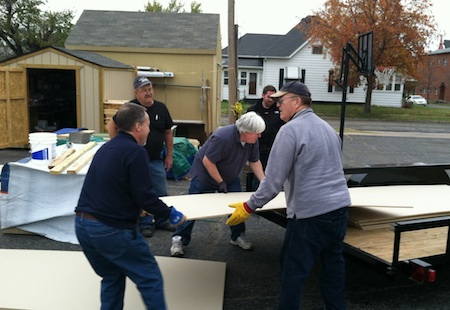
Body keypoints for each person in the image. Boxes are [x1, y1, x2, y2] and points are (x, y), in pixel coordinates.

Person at [226, 81, 351, 309]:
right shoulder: (328, 129)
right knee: (333, 269)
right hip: (340, 210)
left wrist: (248, 207)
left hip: (310, 215)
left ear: (296, 102)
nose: (277, 106)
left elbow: (272, 182)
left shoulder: (290, 130)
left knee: (292, 273)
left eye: (281, 101)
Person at [75, 102, 186, 309]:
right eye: (147, 126)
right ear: (137, 127)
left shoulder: (106, 148)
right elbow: (145, 196)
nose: (149, 131)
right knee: (150, 278)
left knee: (112, 276)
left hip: (83, 226)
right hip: (110, 230)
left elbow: (117, 187)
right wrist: (170, 213)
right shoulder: (135, 152)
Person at [170, 111, 266, 257]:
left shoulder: (252, 141)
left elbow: (254, 161)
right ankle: (179, 239)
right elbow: (208, 161)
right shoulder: (223, 137)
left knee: (237, 207)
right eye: (257, 133)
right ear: (245, 132)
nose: (259, 136)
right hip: (205, 175)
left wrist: (265, 183)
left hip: (230, 176)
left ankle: (237, 236)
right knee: (193, 206)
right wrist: (220, 182)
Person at [108, 76, 175, 237]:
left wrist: (170, 156)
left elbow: (168, 132)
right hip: (135, 161)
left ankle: (162, 219)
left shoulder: (161, 108)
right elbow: (112, 125)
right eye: (144, 90)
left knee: (160, 190)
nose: (148, 93)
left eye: (150, 89)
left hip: (155, 158)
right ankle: (145, 223)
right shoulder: (130, 109)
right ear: (136, 92)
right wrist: (117, 146)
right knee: (141, 191)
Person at [246, 85, 285, 190]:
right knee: (256, 175)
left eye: (273, 97)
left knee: (272, 174)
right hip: (257, 147)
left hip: (273, 148)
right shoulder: (253, 110)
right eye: (269, 97)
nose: (271, 100)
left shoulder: (279, 110)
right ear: (263, 95)